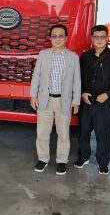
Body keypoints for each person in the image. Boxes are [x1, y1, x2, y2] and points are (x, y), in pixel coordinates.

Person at [30, 24, 80, 175]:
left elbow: (77, 81)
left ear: (66, 38)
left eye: (60, 36)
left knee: (63, 134)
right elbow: (36, 76)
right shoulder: (43, 54)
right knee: (42, 132)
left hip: (64, 101)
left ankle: (62, 161)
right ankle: (43, 159)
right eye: (54, 36)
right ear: (50, 38)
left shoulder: (73, 57)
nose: (57, 39)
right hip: (45, 99)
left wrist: (76, 100)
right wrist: (33, 95)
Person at [75, 25, 110, 175]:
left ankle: (103, 163)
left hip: (104, 102)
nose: (99, 40)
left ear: (107, 38)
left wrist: (108, 94)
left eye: (102, 37)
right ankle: (83, 157)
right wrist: (83, 93)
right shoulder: (85, 56)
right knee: (83, 132)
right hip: (87, 100)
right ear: (92, 38)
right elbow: (79, 77)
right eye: (96, 37)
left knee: (103, 134)